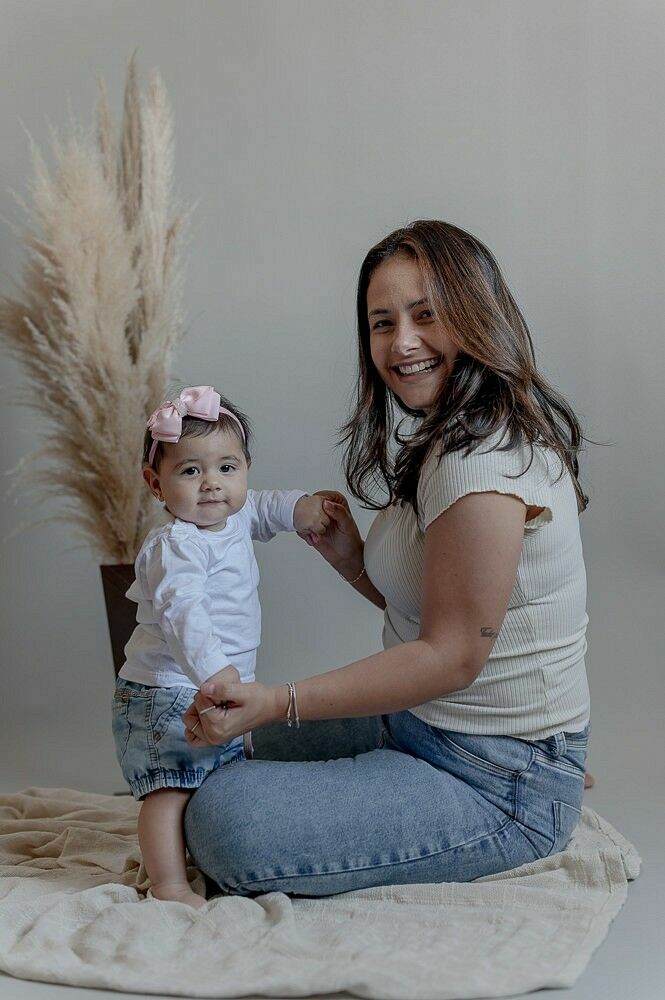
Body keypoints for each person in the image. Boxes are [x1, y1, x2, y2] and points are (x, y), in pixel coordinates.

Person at [183, 221, 592, 898]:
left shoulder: (481, 464)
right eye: (381, 322)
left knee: (225, 820)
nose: (400, 343)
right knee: (198, 747)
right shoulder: (451, 436)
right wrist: (351, 559)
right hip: (419, 725)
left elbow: (452, 654)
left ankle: (536, 792)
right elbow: (449, 609)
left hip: (491, 779)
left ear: (475, 316)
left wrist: (278, 703)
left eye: (425, 315)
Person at [112, 385, 329, 907]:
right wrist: (217, 673)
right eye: (190, 471)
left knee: (208, 781)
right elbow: (183, 616)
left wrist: (303, 508)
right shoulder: (176, 546)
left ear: (245, 468)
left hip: (212, 686)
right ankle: (166, 883)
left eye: (227, 468)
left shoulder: (235, 516)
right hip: (168, 691)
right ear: (155, 483)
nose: (212, 484)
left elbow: (266, 505)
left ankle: (193, 858)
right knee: (171, 789)